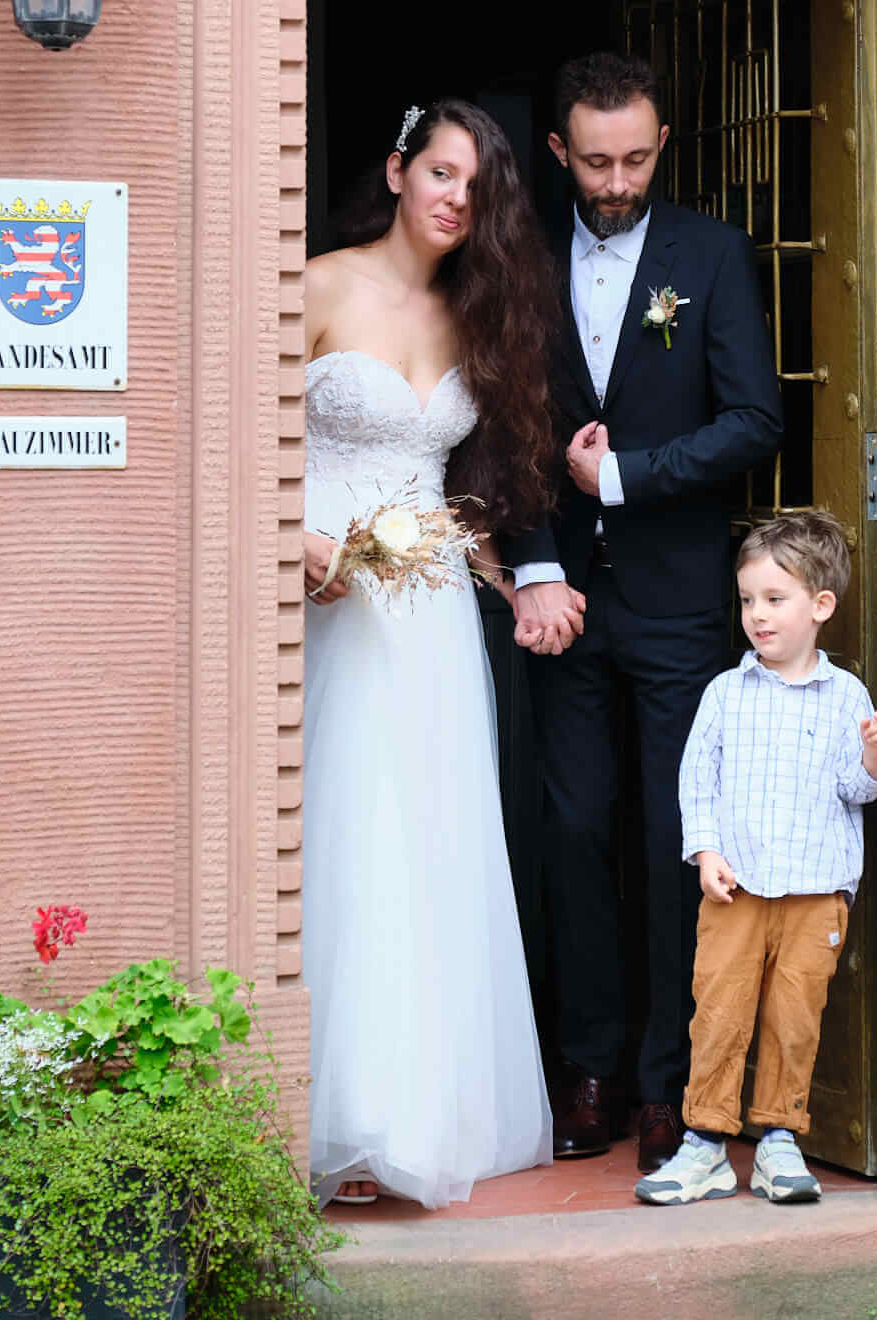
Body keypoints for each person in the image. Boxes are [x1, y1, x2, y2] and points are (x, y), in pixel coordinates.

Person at [505, 53, 784, 1174]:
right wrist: (533, 561)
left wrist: (625, 477)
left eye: (634, 158)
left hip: (674, 601)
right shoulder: (521, 260)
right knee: (573, 828)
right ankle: (590, 1068)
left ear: (661, 143)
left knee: (679, 838)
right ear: (559, 151)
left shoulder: (710, 255)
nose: (616, 182)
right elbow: (499, 422)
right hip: (562, 598)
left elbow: (755, 417)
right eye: (595, 162)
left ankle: (670, 1083)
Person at [301, 99, 561, 1208]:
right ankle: (348, 1121)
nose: (456, 197)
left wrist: (518, 582)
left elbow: (459, 493)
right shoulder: (318, 285)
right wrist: (299, 538)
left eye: (476, 186)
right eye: (441, 172)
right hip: (333, 600)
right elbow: (238, 428)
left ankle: (429, 1112)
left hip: (434, 612)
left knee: (434, 840)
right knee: (353, 832)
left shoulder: (471, 318)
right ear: (397, 170)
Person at [636, 511, 877, 1208]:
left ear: (820, 606)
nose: (757, 614)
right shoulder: (726, 692)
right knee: (718, 1011)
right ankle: (705, 1144)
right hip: (737, 888)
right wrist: (706, 852)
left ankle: (780, 1140)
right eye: (748, 599)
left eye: (775, 599)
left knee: (795, 1017)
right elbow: (696, 781)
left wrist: (874, 758)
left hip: (816, 892)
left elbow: (856, 789)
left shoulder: (846, 696)